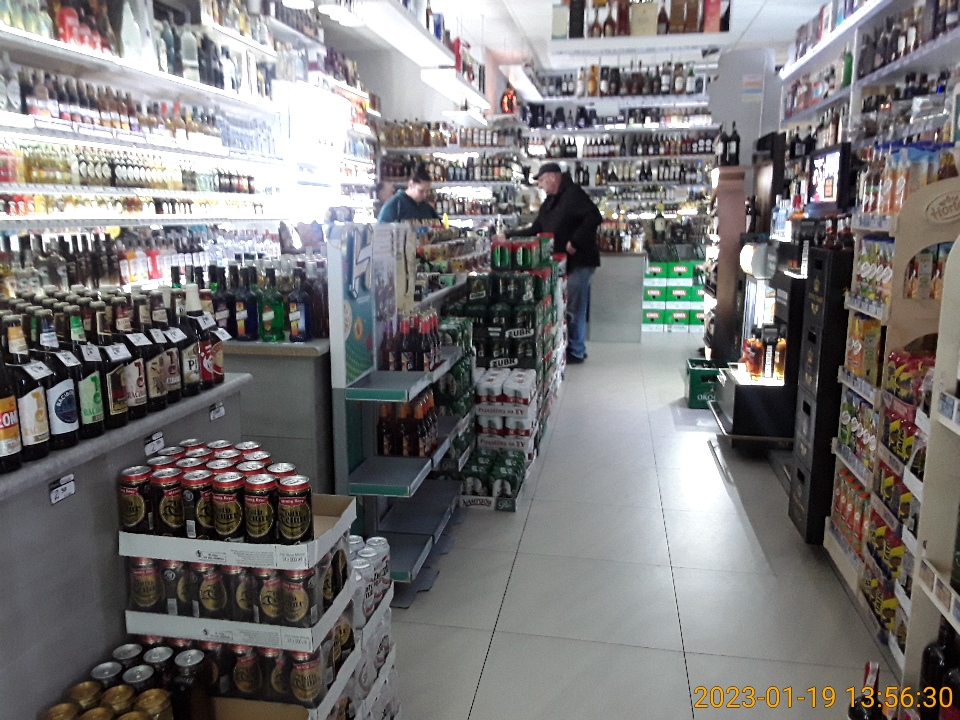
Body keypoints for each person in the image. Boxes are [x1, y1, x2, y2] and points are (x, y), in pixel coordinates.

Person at [504, 162, 601, 364]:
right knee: (567, 304)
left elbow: (594, 217)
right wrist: (508, 236)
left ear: (553, 177)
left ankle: (577, 350)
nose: (540, 185)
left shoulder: (573, 194)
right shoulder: (550, 202)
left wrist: (575, 241)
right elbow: (536, 228)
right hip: (562, 262)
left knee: (575, 306)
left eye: (541, 180)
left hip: (580, 260)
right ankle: (569, 346)